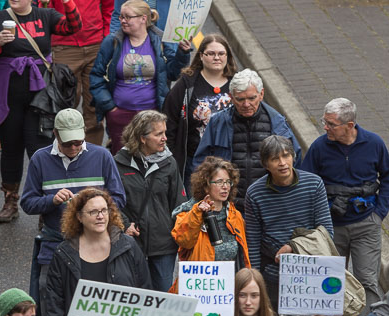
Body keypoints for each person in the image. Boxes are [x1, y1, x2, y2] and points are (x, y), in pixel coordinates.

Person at [0, 0, 82, 222]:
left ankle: (48, 205)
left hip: (40, 98)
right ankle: (10, 201)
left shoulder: (45, 15)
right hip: (7, 96)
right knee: (11, 149)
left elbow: (73, 27)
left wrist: (67, 2)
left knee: (41, 150)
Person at [22, 109, 125, 316]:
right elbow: (27, 203)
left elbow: (119, 199)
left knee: (95, 308)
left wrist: (95, 204)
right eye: (67, 143)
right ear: (55, 134)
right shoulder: (40, 159)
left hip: (96, 246)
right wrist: (51, 200)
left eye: (78, 142)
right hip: (55, 245)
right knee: (53, 308)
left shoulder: (102, 156)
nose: (73, 148)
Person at [300, 98, 389, 315]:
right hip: (331, 227)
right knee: (330, 282)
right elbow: (306, 184)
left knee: (368, 282)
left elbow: (388, 177)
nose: (325, 127)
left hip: (366, 225)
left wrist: (379, 214)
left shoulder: (374, 144)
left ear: (350, 125)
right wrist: (317, 221)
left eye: (331, 124)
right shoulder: (319, 148)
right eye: (324, 122)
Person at [44, 187, 150, 316]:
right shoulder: (64, 253)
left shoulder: (128, 246)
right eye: (93, 212)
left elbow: (145, 292)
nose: (100, 216)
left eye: (104, 210)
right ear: (79, 216)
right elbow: (54, 305)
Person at [243, 135, 332, 316]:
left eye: (286, 155)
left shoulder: (314, 184)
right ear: (266, 164)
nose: (282, 163)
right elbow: (253, 242)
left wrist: (292, 246)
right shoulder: (255, 193)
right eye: (275, 159)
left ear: (293, 156)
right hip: (274, 275)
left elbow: (326, 232)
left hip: (312, 270)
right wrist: (254, 281)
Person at [90, 0, 190, 154]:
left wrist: (182, 54)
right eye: (121, 17)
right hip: (120, 115)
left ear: (143, 18)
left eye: (128, 17)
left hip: (152, 115)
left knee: (152, 159)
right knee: (122, 161)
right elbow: (96, 75)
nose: (123, 21)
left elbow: (173, 73)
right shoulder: (113, 41)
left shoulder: (160, 40)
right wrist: (110, 107)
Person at [192, 69, 299, 211]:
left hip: (269, 204)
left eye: (251, 98)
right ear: (231, 97)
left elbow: (295, 164)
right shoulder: (217, 123)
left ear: (261, 94)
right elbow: (201, 165)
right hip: (228, 207)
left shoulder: (278, 123)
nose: (246, 104)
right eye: (240, 99)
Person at [115, 110, 186, 292]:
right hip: (131, 243)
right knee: (134, 297)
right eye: (158, 134)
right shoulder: (118, 163)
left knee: (163, 297)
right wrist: (124, 224)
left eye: (165, 132)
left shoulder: (169, 163)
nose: (165, 138)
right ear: (142, 138)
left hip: (163, 246)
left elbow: (179, 204)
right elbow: (111, 201)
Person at [163, 34, 237, 189]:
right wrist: (172, 157)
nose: (216, 57)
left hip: (229, 161)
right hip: (194, 162)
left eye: (221, 53)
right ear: (201, 56)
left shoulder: (236, 84)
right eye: (211, 53)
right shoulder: (187, 84)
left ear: (227, 56)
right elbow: (169, 121)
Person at [170, 156, 250, 287]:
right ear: (206, 186)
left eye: (228, 182)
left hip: (226, 287)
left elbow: (242, 258)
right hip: (196, 286)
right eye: (219, 182)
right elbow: (184, 240)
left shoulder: (235, 216)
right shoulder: (189, 213)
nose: (225, 187)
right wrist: (197, 213)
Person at [50, 0, 112, 145]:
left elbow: (109, 8)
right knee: (66, 103)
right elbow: (46, 9)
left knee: (95, 102)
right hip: (64, 46)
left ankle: (92, 151)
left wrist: (106, 37)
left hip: (95, 45)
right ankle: (66, 147)